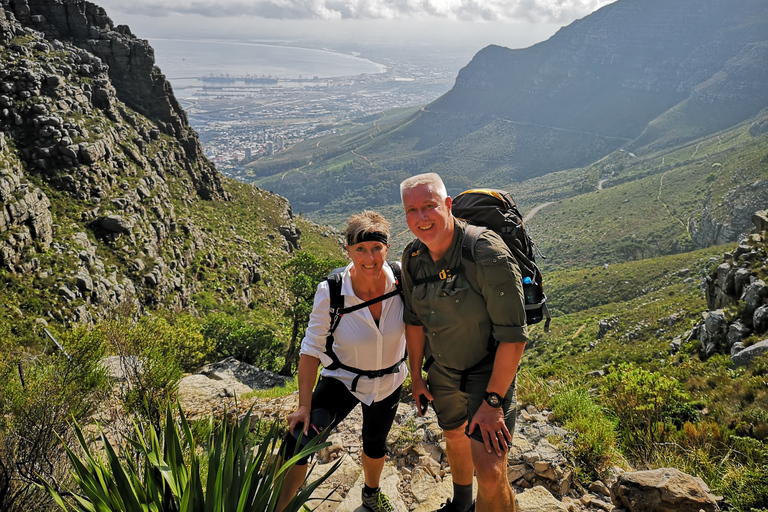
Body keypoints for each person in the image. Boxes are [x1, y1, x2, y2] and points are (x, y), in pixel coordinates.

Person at [399, 173, 527, 512]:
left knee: (489, 471)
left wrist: (493, 402)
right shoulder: (412, 258)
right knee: (454, 435)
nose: (421, 218)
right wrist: (416, 377)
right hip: (442, 371)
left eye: (429, 207)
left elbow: (513, 337)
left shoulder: (484, 251)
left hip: (488, 373)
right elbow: (413, 322)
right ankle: (461, 505)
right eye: (412, 211)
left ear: (448, 205)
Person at [276, 211, 407, 512]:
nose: (369, 257)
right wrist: (304, 406)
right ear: (347, 250)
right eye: (360, 249)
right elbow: (310, 350)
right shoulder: (332, 291)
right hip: (342, 379)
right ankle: (279, 507)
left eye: (376, 248)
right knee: (298, 442)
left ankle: (370, 498)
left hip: (388, 381)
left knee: (375, 442)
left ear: (387, 248)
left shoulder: (402, 283)